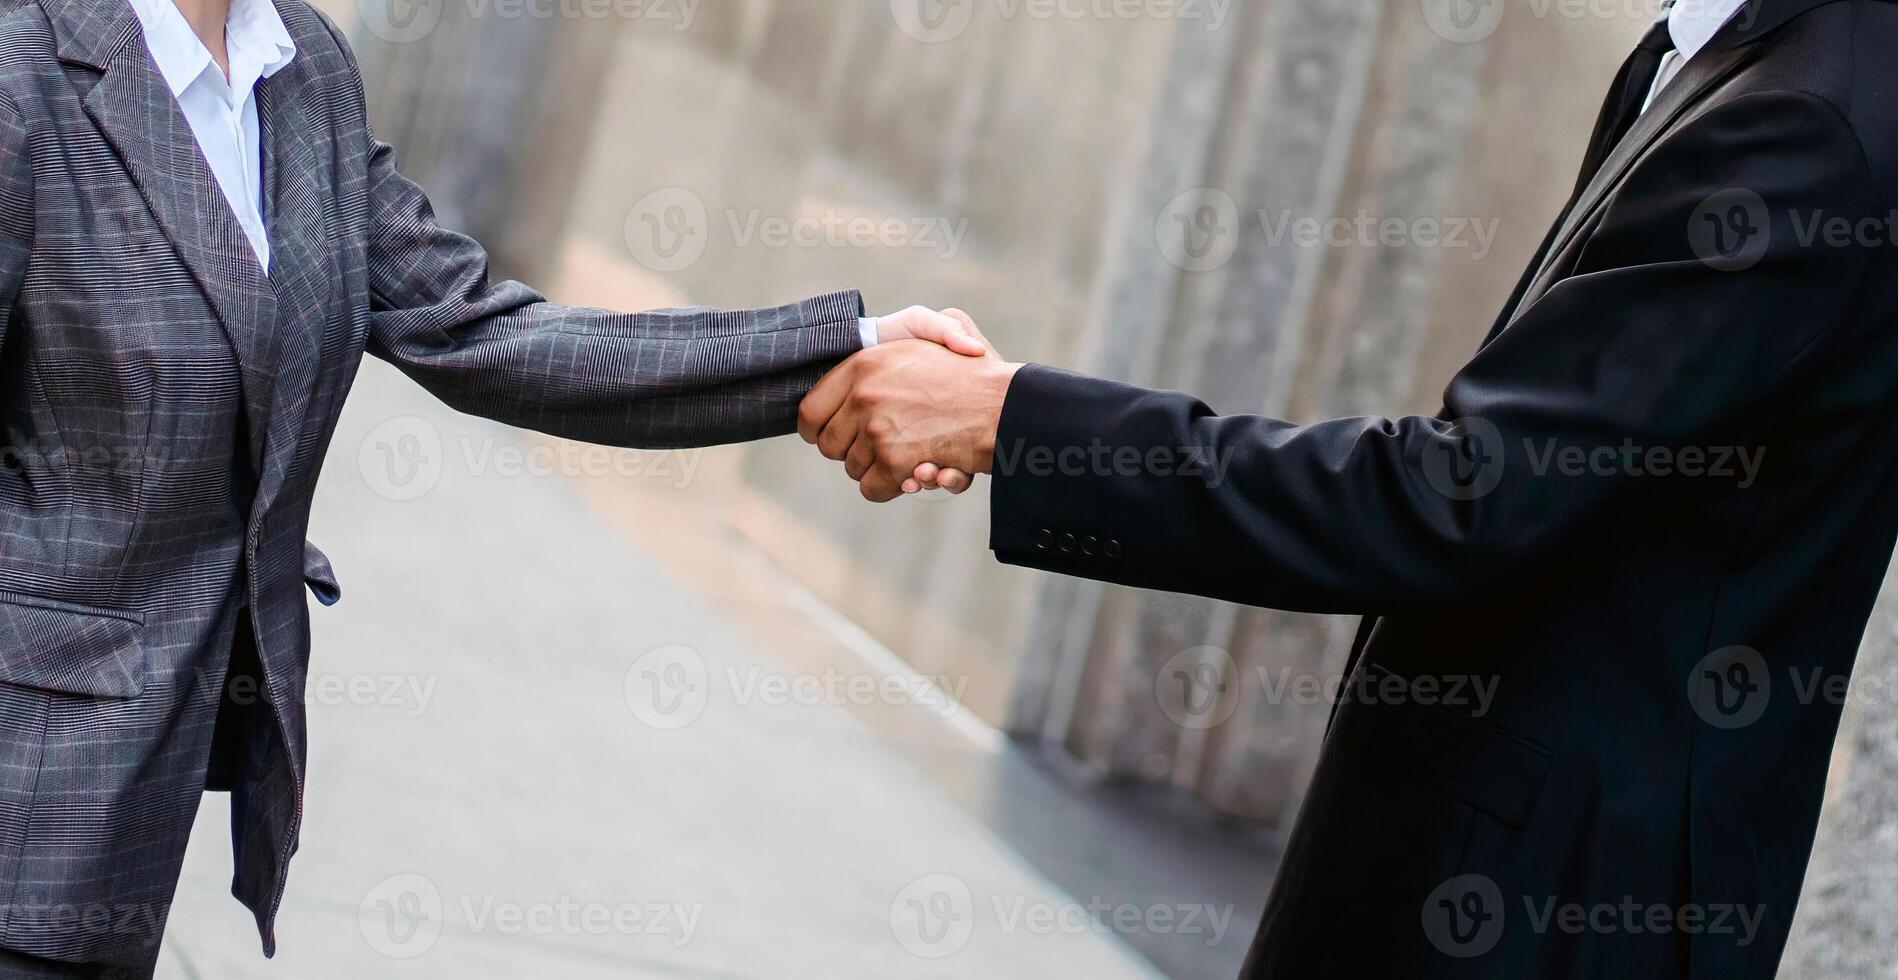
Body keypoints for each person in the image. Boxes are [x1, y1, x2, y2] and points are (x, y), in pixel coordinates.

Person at [805, 0, 1898, 975]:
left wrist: (1016, 421)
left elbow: (1459, 495)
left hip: (1539, 901)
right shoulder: (1738, 58)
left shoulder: (1804, 121)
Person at [0, 0, 987, 973]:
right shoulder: (26, 56)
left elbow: (486, 329)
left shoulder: (299, 71)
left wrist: (841, 351)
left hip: (122, 804)